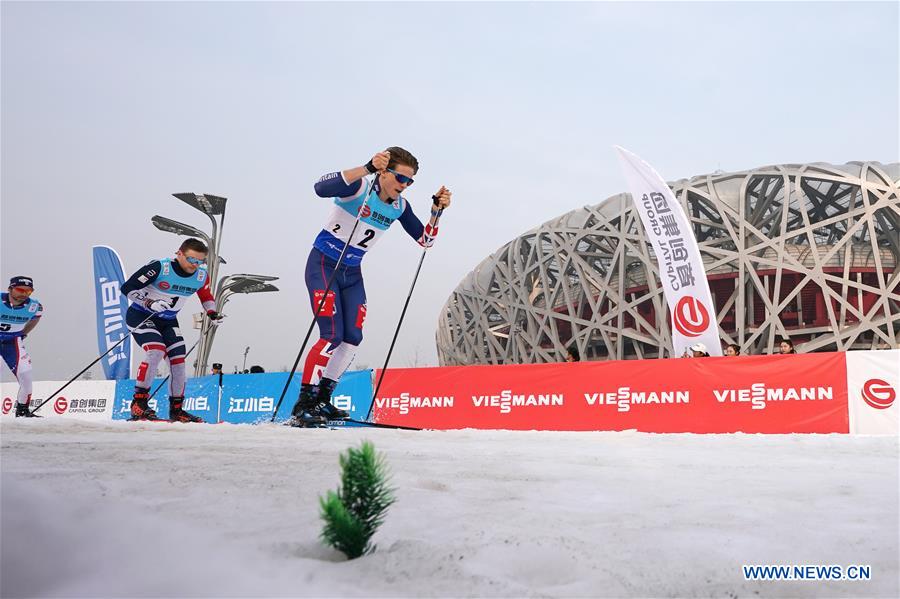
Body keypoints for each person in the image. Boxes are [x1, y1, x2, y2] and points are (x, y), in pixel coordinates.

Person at [289, 147, 452, 427]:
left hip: (352, 272)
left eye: (410, 182)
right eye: (401, 179)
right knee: (331, 334)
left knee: (352, 337)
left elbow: (425, 240)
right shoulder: (359, 188)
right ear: (385, 172)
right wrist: (366, 167)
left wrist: (436, 212)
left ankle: (322, 399)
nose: (404, 186)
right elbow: (320, 188)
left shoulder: (400, 206)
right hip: (324, 265)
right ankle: (304, 403)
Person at [121, 238, 224, 422]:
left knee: (178, 361)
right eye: (192, 260)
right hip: (142, 315)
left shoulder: (201, 276)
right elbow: (127, 287)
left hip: (168, 321)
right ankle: (139, 405)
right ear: (179, 254)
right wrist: (149, 303)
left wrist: (212, 313)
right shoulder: (160, 268)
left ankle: (177, 410)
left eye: (200, 261)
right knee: (156, 351)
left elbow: (206, 296)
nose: (195, 265)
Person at [0, 276, 43, 417]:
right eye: (20, 290)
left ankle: (22, 410)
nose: (24, 294)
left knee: (25, 373)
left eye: (28, 291)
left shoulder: (35, 306)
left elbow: (35, 319)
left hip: (12, 342)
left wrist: (24, 333)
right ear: (10, 289)